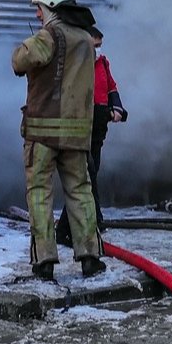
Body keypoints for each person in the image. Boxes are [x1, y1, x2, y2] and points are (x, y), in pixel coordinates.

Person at [12, 0, 106, 280]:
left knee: (40, 193)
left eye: (39, 8)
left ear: (51, 6)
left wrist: (27, 45)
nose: (37, 14)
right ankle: (90, 257)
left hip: (43, 133)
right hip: (77, 135)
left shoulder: (50, 35)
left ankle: (44, 261)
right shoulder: (85, 38)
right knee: (80, 191)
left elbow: (20, 61)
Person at [55, 25, 126, 247]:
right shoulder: (75, 64)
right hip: (80, 125)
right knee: (87, 173)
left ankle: (73, 226)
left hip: (98, 126)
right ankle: (85, 222)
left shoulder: (102, 63)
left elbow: (111, 87)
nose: (97, 49)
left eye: (99, 45)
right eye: (94, 44)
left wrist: (117, 108)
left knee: (89, 174)